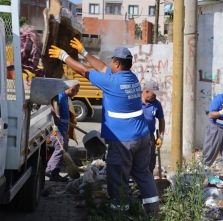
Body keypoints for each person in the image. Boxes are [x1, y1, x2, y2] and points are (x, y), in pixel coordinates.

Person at [48, 39, 159, 217]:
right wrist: (84, 52)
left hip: (123, 141)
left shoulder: (112, 82)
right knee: (143, 175)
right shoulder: (132, 78)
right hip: (143, 137)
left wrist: (64, 56)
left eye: (111, 61)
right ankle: (153, 212)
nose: (109, 64)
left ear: (116, 63)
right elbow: (101, 68)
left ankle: (119, 215)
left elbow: (85, 71)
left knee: (118, 178)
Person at [46, 84, 80, 182]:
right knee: (60, 151)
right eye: (75, 91)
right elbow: (52, 108)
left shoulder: (66, 98)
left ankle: (52, 170)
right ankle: (52, 172)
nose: (76, 94)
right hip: (58, 129)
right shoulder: (59, 97)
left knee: (63, 150)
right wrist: (56, 118)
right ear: (70, 88)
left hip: (64, 128)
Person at [141, 80, 165, 174]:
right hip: (136, 137)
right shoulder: (135, 101)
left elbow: (161, 120)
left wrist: (161, 137)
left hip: (150, 136)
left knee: (150, 161)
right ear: (146, 91)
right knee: (137, 161)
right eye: (153, 94)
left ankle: (148, 179)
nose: (155, 96)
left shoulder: (156, 104)